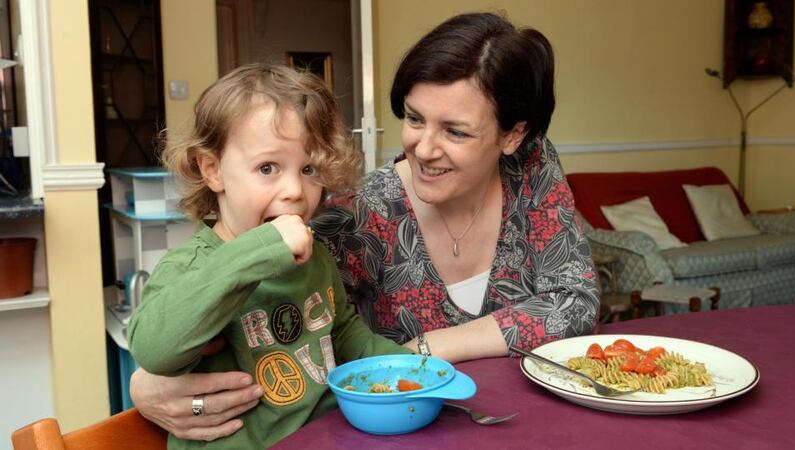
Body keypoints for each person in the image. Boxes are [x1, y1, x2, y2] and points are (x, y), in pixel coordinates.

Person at [130, 12, 600, 441]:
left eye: (455, 131)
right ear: (212, 170)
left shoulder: (531, 166)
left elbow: (346, 331)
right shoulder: (350, 219)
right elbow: (163, 337)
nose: (425, 148)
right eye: (414, 119)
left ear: (513, 135)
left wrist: (416, 360)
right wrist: (145, 386)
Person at [126, 63, 412, 449]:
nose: (295, 190)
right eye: (267, 168)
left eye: (308, 168)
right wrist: (260, 251)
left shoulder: (316, 255)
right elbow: (154, 350)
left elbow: (342, 331)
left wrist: (404, 369)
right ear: (213, 170)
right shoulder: (193, 267)